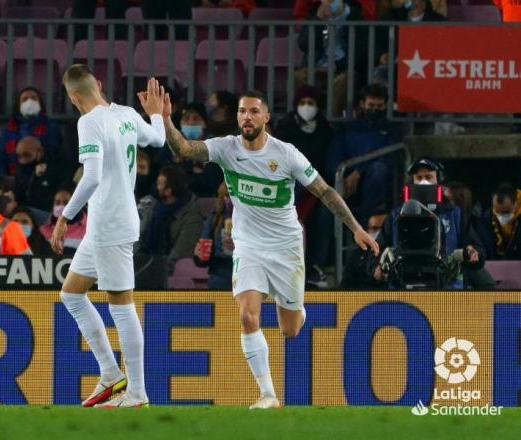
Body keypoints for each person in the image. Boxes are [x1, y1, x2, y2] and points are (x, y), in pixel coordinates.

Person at [162, 89, 378, 408]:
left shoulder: (286, 154)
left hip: (286, 247)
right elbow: (182, 147)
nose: (246, 117)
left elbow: (324, 191)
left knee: (289, 330)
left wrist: (356, 228)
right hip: (248, 246)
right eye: (241, 112)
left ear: (266, 118)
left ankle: (296, 308)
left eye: (253, 111)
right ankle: (268, 394)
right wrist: (164, 118)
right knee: (248, 316)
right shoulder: (226, 149)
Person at [53, 66, 165, 408]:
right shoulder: (127, 114)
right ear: (98, 85)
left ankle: (137, 392)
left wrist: (65, 217)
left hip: (109, 224)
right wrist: (157, 115)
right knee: (71, 295)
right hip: (109, 223)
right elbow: (158, 140)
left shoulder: (88, 122)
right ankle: (110, 374)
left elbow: (91, 176)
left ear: (74, 97)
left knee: (122, 307)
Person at [372, 157, 486, 289]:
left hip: (447, 292)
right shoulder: (396, 216)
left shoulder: (455, 214)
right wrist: (375, 268)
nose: (423, 182)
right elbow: (376, 249)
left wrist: (474, 254)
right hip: (403, 292)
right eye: (419, 178)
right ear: (412, 182)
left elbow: (477, 251)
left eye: (428, 177)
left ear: (439, 181)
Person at [275, 85, 335, 287]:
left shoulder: (326, 131)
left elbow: (329, 165)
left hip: (317, 188)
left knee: (325, 215)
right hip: (289, 185)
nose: (306, 107)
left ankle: (315, 267)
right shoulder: (284, 129)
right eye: (302, 103)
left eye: (311, 103)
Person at [327, 83, 402, 227]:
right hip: (346, 185)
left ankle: (364, 234)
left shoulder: (391, 130)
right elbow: (333, 159)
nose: (375, 109)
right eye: (371, 105)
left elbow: (390, 158)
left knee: (378, 170)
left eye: (379, 106)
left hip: (378, 188)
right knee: (325, 214)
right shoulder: (348, 129)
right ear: (362, 104)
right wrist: (341, 178)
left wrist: (359, 172)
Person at [139, 165, 204, 274]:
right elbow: (137, 238)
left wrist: (152, 272)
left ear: (168, 192)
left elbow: (180, 254)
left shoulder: (192, 217)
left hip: (168, 274)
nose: (155, 186)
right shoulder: (150, 205)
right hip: (143, 267)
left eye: (159, 184)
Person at [0, 87, 64, 177]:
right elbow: (0, 159)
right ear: (19, 105)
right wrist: (4, 180)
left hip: (43, 178)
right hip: (13, 178)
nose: (29, 102)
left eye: (34, 98)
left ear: (40, 104)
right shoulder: (8, 130)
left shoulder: (52, 128)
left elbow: (56, 156)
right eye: (25, 99)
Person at [193, 182, 233, 290]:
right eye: (224, 197)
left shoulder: (257, 219)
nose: (227, 201)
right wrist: (199, 254)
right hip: (219, 283)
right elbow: (203, 260)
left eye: (231, 197)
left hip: (249, 282)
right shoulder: (215, 217)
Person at [340, 209, 388, 289]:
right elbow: (345, 288)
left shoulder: (393, 255)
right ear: (367, 230)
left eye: (382, 230)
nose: (379, 234)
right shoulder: (355, 256)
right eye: (374, 228)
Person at [14, 136, 64, 211]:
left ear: (40, 152)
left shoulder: (55, 167)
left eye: (27, 155)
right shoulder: (21, 169)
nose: (22, 160)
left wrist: (37, 178)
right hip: (24, 209)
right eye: (19, 156)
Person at [477, 183, 521, 260]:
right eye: (497, 212)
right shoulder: (485, 221)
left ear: (515, 203)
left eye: (506, 212)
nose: (501, 216)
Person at [40, 187, 87, 253]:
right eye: (57, 202)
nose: (61, 205)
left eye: (66, 203)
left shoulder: (87, 229)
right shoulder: (44, 230)